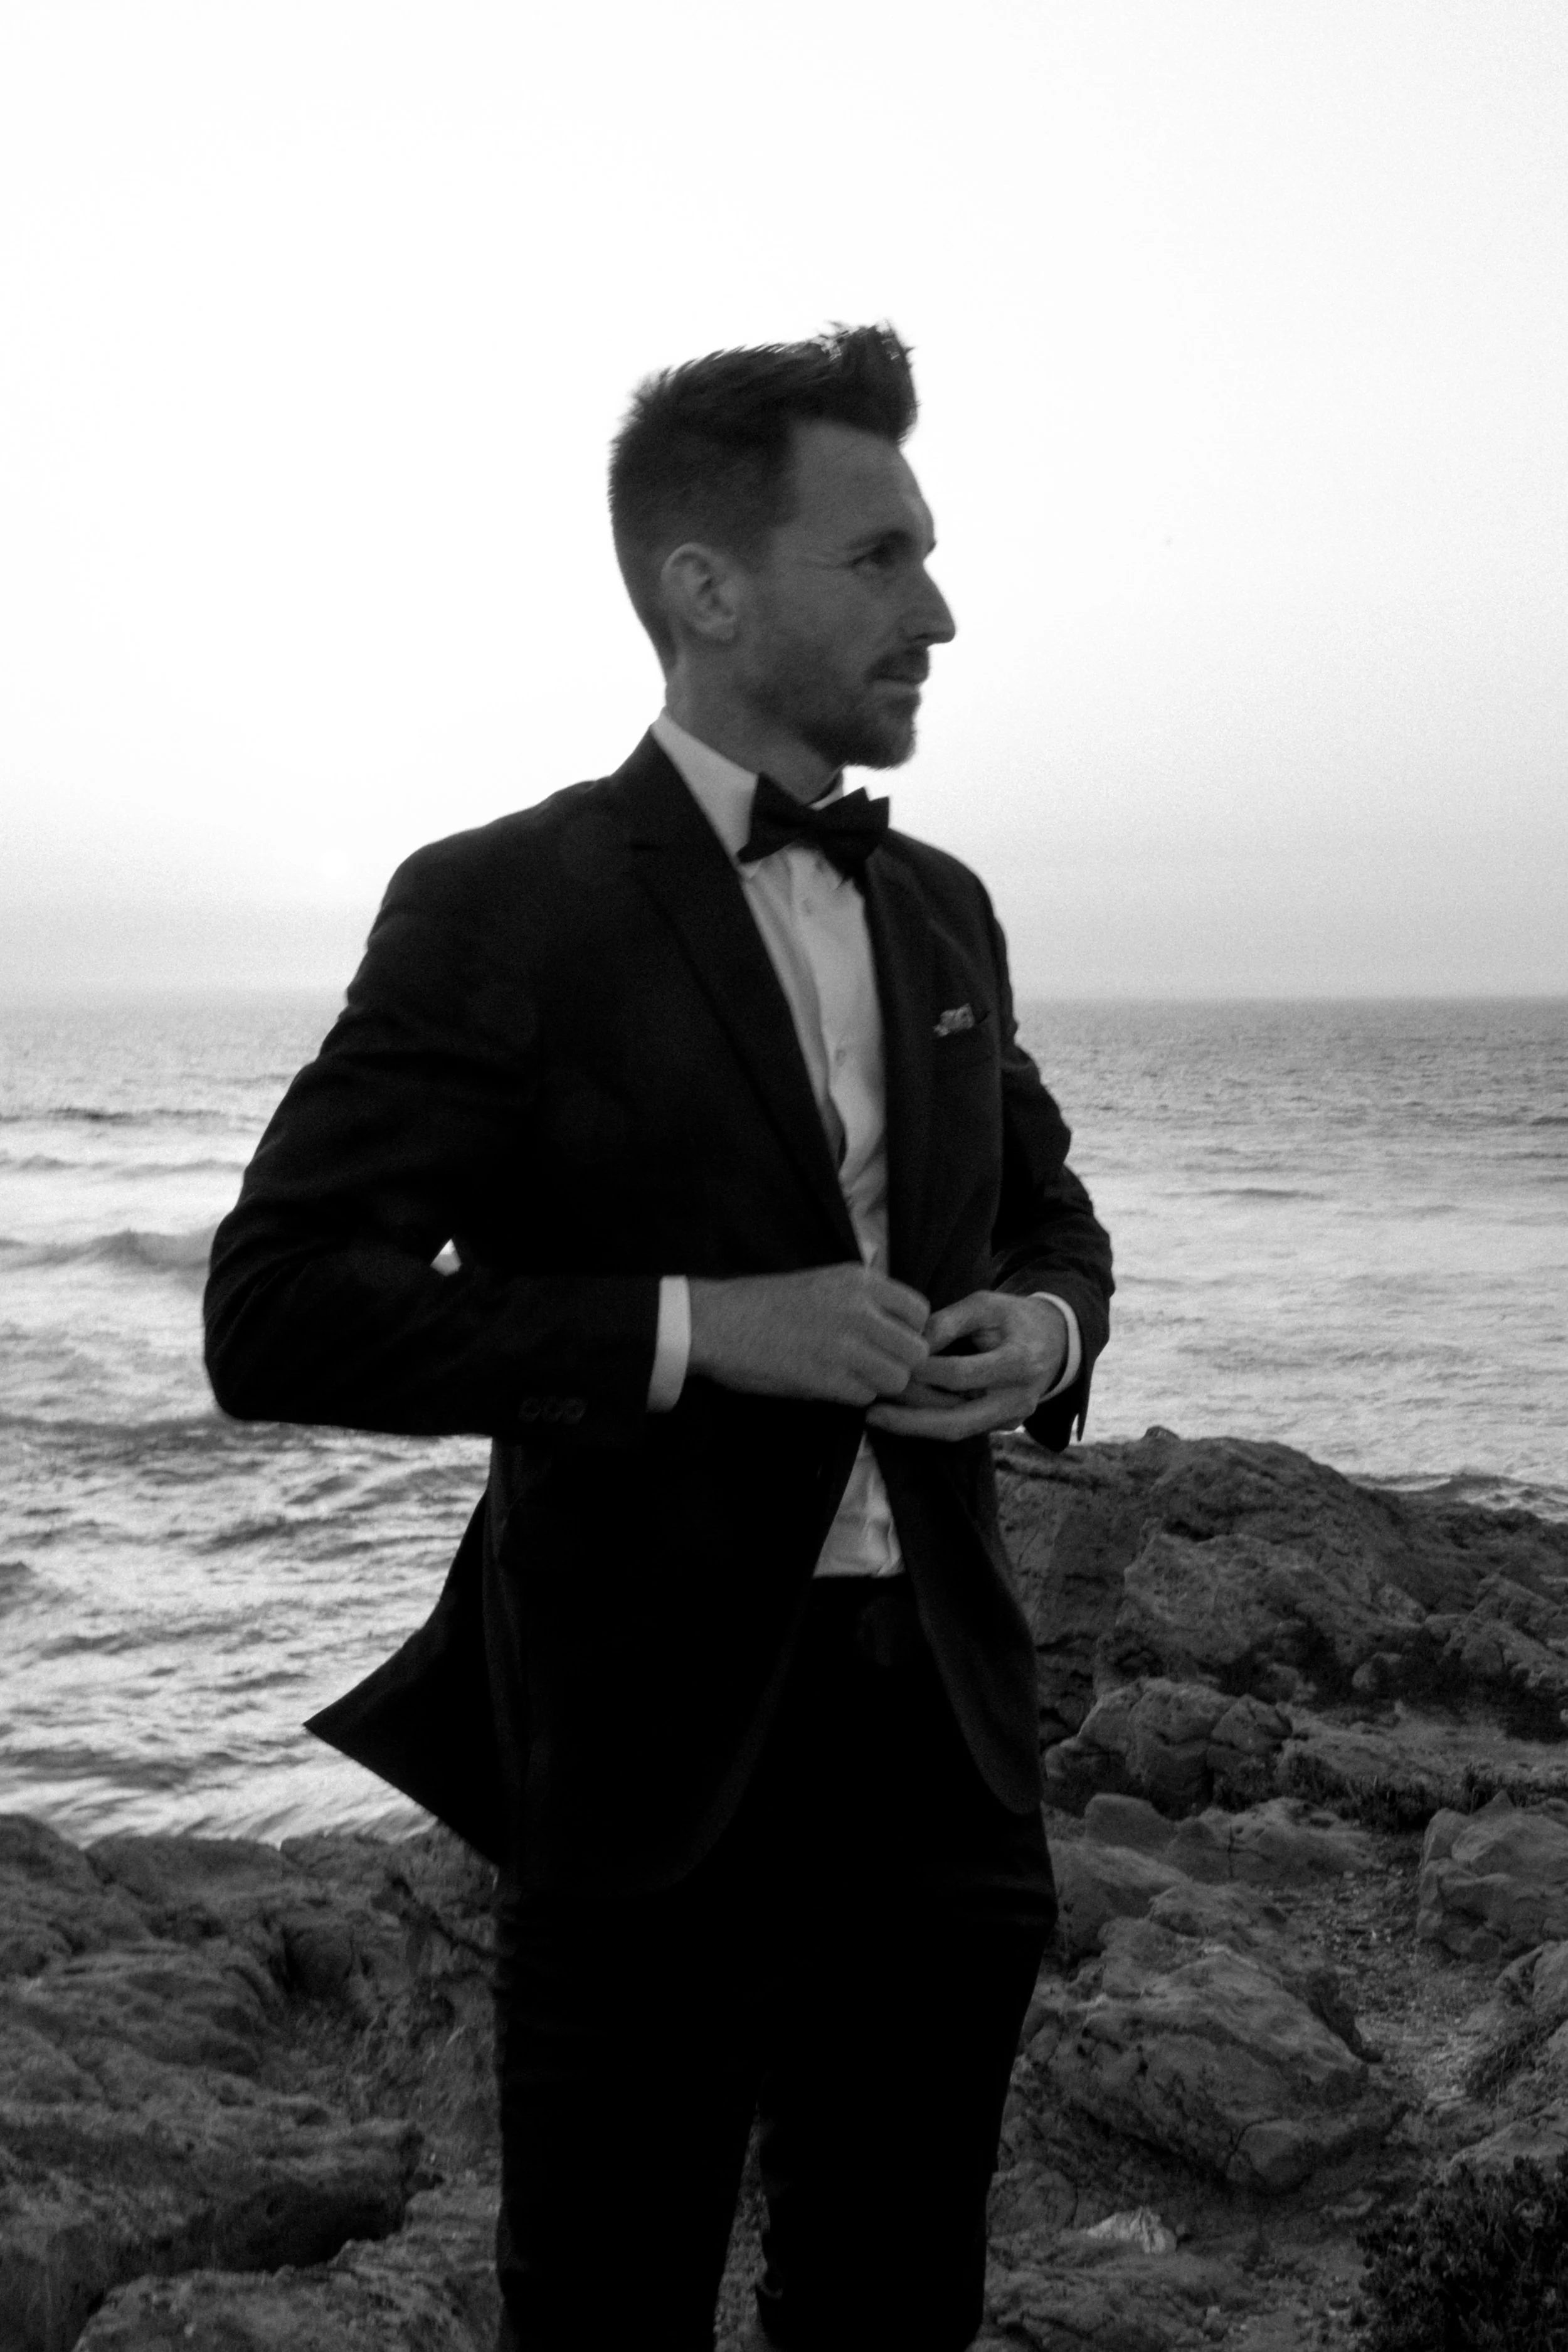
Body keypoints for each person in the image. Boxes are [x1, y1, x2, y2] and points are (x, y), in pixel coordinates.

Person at [204, 322, 1113, 2352]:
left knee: (897, 2301)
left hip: (943, 1743)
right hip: (642, 1748)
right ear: (705, 587)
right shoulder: (503, 901)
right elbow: (280, 1310)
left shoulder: (943, 907)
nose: (937, 613)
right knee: (606, 2310)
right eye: (879, 557)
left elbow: (1048, 1212)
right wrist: (709, 1330)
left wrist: (1039, 1333)